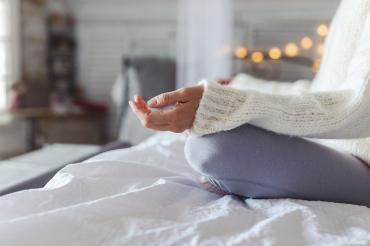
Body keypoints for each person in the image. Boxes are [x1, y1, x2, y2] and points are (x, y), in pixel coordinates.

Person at [129, 0, 370, 207]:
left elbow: (356, 110)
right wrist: (238, 86)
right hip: (335, 145)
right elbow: (324, 91)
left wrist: (221, 104)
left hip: (363, 165)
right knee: (208, 140)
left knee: (212, 146)